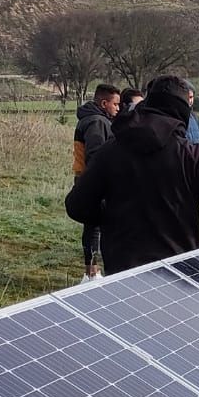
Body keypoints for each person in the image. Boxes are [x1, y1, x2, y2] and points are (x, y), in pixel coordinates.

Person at [66, 75, 199, 273]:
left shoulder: (110, 150)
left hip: (123, 271)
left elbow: (76, 205)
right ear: (183, 112)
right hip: (178, 273)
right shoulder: (191, 155)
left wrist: (111, 218)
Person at [71, 84, 120, 280]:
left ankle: (92, 270)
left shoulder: (91, 119)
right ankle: (92, 272)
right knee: (96, 226)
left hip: (86, 178)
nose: (118, 108)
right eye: (115, 104)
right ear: (104, 103)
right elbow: (96, 154)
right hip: (93, 180)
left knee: (94, 225)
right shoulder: (98, 122)